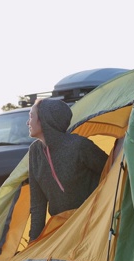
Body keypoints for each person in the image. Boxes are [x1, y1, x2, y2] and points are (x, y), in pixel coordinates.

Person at [26, 98, 108, 242]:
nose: (28, 122)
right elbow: (38, 203)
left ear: (45, 120)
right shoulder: (35, 152)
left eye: (31, 116)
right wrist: (33, 241)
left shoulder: (79, 146)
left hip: (93, 223)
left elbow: (112, 173)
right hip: (61, 229)